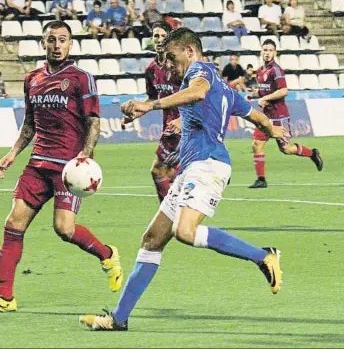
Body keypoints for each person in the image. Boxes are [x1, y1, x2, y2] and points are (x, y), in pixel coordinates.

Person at [79, 28, 287, 331]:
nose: (170, 66)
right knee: (152, 240)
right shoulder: (225, 90)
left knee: (185, 232)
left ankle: (263, 256)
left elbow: (199, 91)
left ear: (190, 51)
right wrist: (274, 132)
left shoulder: (200, 71)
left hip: (209, 166)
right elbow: (254, 114)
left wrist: (150, 105)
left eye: (173, 58)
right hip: (191, 169)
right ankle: (118, 318)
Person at [0, 21, 123, 314]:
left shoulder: (81, 78)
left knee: (64, 229)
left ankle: (108, 255)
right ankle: (4, 297)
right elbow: (29, 123)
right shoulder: (32, 79)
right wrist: (13, 152)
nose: (57, 45)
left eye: (62, 40)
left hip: (69, 169)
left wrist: (86, 155)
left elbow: (93, 120)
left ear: (70, 44)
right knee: (13, 224)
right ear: (44, 42)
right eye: (52, 39)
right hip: (38, 164)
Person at [247, 39, 323, 188]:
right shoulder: (260, 71)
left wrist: (265, 98)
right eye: (265, 50)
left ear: (275, 53)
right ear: (261, 52)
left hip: (279, 116)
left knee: (286, 149)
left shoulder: (276, 70)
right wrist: (253, 95)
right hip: (266, 117)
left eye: (270, 50)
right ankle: (261, 179)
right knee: (256, 144)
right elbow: (264, 91)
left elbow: (283, 91)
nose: (267, 53)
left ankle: (312, 153)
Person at [127, 22, 181, 203]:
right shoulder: (151, 69)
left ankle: (166, 214)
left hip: (185, 125)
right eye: (155, 36)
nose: (159, 40)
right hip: (169, 127)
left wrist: (182, 119)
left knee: (159, 170)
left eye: (162, 35)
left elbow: (195, 96)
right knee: (170, 173)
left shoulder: (179, 66)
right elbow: (152, 99)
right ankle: (173, 212)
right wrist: (137, 112)